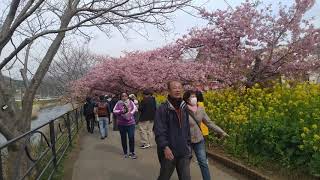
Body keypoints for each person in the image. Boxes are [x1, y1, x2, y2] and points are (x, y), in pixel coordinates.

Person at [183, 90, 229, 180]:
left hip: (199, 139)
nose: (194, 98)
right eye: (191, 97)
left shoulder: (201, 109)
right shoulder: (183, 110)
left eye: (194, 96)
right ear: (187, 99)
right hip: (186, 141)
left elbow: (209, 123)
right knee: (185, 163)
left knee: (203, 162)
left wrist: (221, 132)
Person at [153, 81, 191, 180]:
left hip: (183, 151)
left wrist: (188, 145)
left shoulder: (184, 107)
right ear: (169, 91)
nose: (177, 90)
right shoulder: (163, 108)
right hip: (169, 152)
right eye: (174, 88)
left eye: (179, 87)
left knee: (186, 177)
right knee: (164, 177)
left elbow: (187, 128)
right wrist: (165, 147)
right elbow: (159, 130)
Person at [113, 92, 138, 159]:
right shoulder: (118, 103)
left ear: (127, 96)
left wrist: (129, 114)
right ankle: (125, 152)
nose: (124, 97)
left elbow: (134, 109)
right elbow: (114, 111)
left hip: (131, 123)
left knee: (131, 137)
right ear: (121, 97)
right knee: (123, 138)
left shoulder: (131, 102)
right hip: (121, 124)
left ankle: (132, 152)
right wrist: (121, 112)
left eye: (125, 96)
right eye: (122, 96)